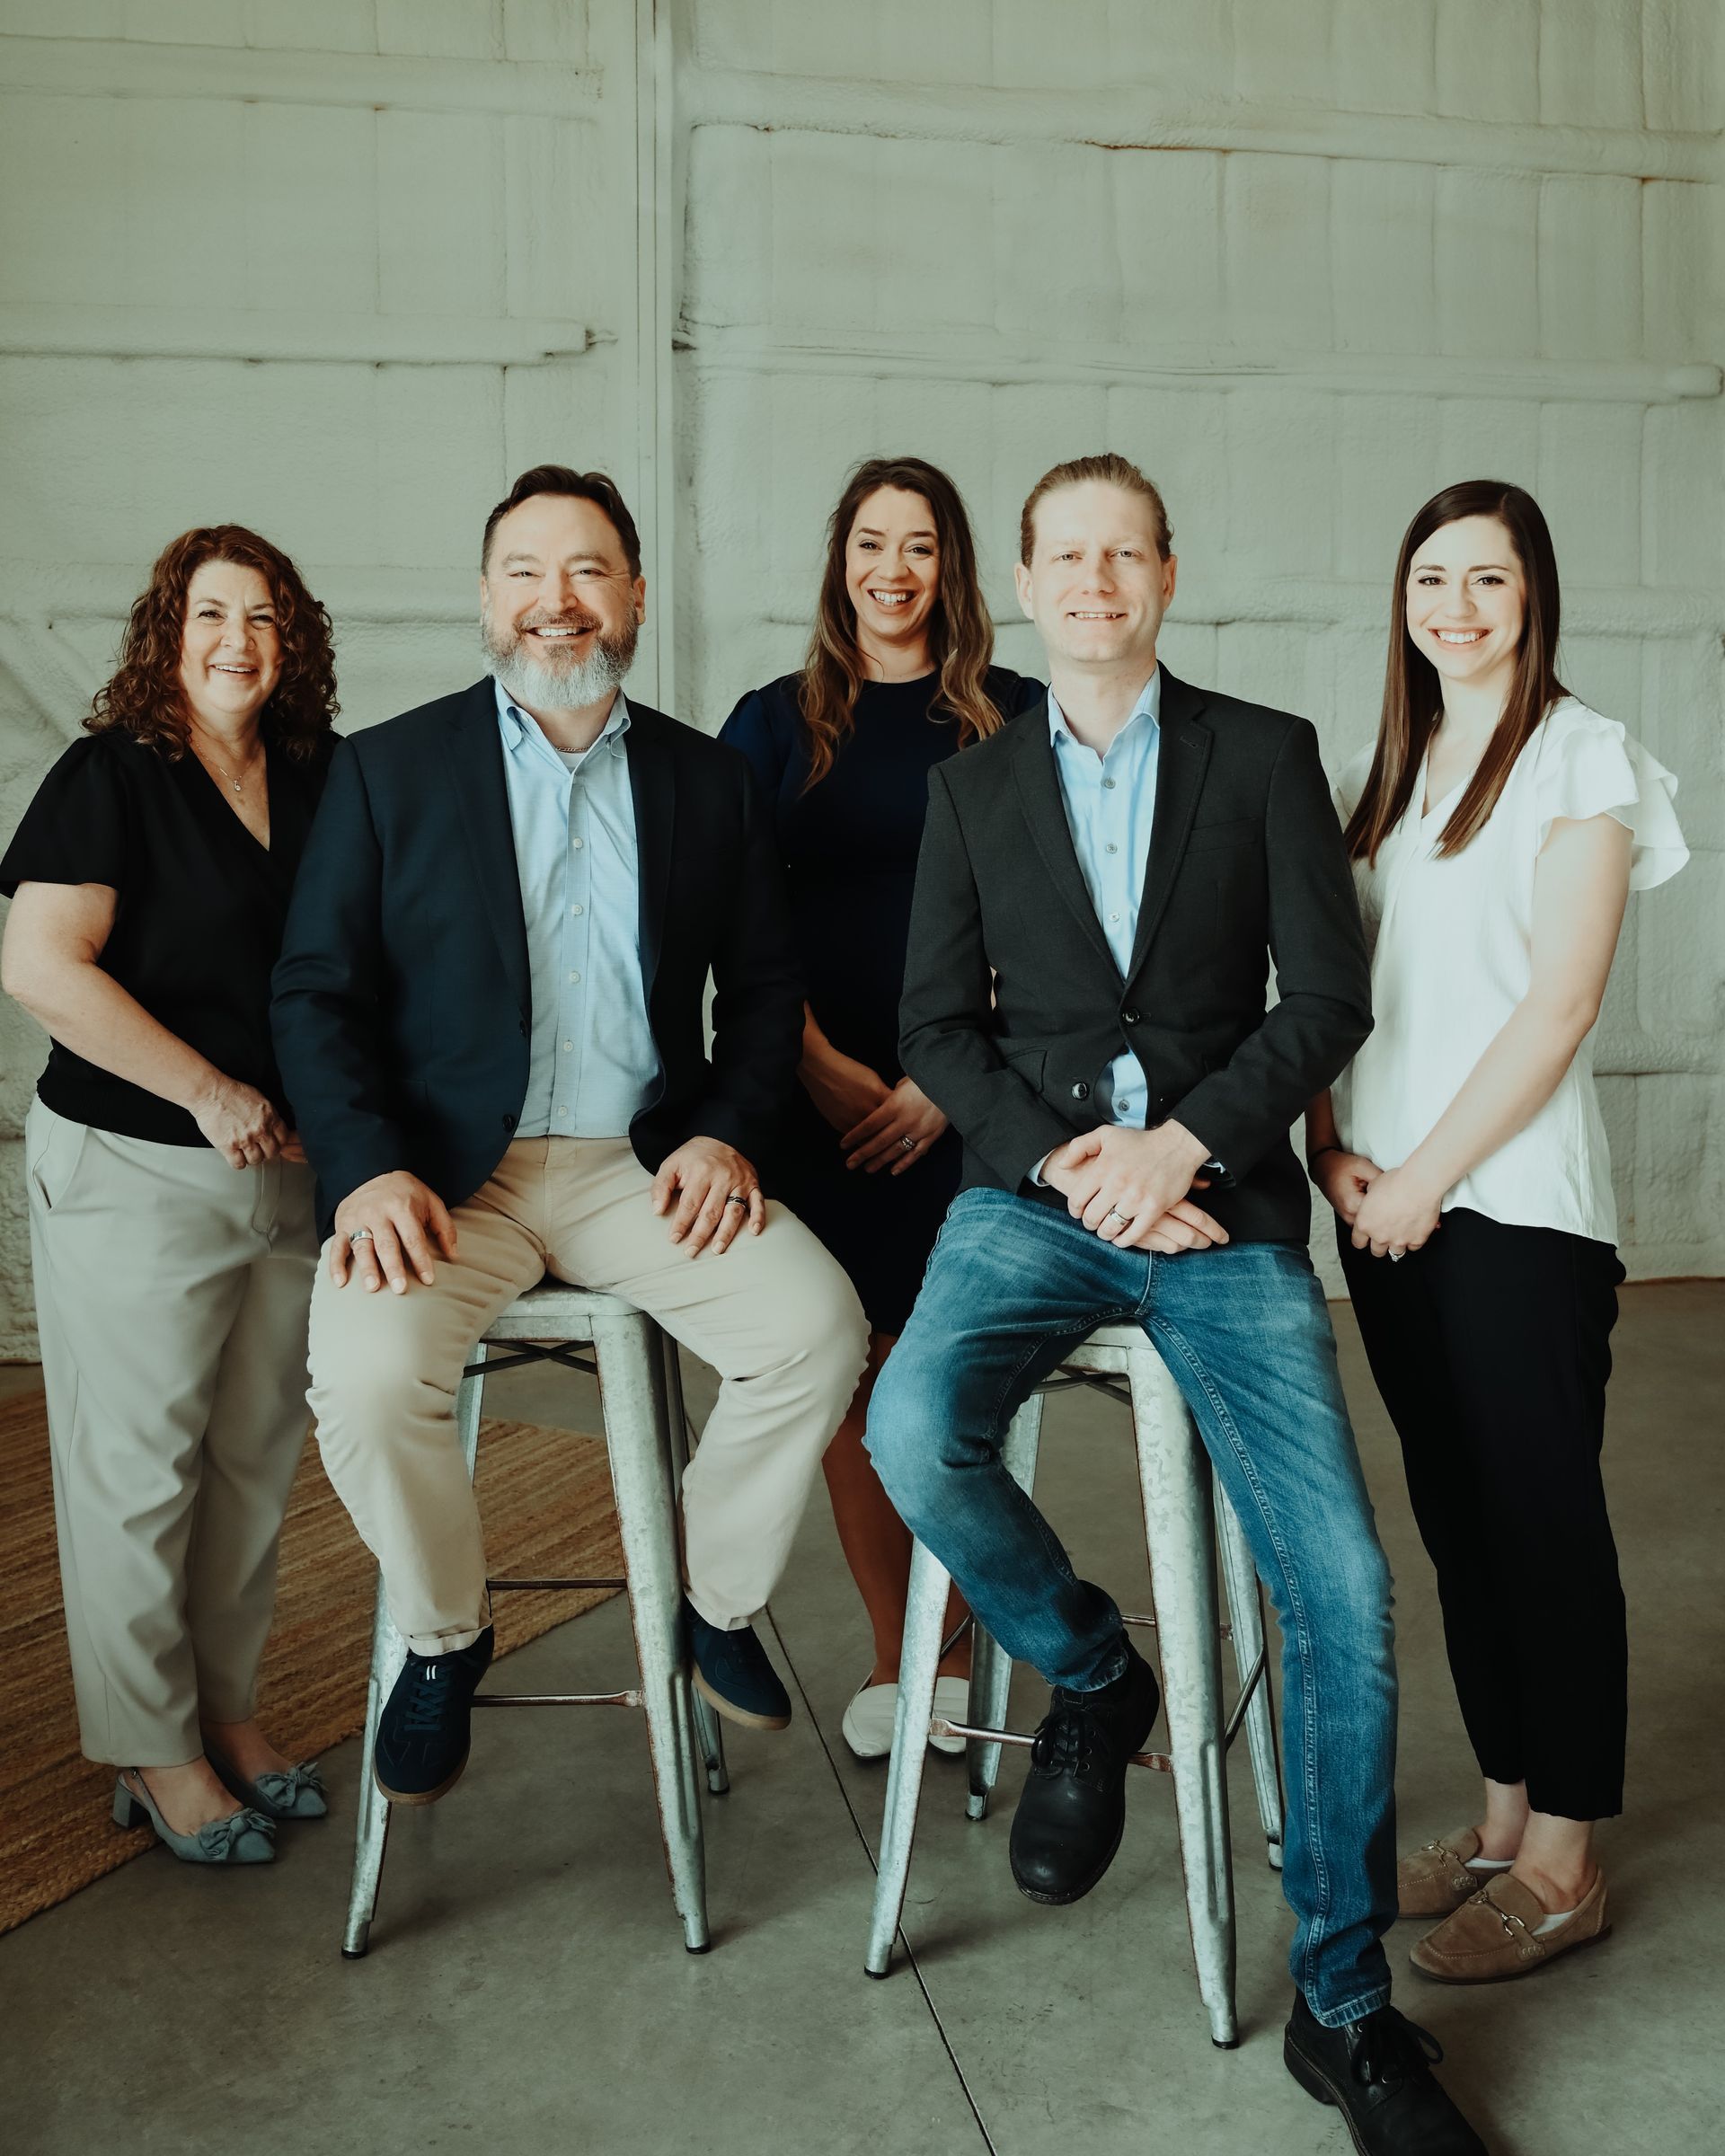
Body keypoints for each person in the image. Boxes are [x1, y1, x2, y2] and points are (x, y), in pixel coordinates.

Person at [866, 455, 1486, 2153]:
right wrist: (1079, 1165)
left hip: (1228, 1207)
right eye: (1062, 556)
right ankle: (1091, 1672)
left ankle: (1348, 2010)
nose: (1091, 580)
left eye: (1119, 553)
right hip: (1039, 1201)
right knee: (912, 1428)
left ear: (1165, 572)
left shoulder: (1265, 753)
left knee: (1343, 1586)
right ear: (1031, 579)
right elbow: (936, 1032)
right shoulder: (973, 789)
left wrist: (1190, 1146)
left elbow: (1328, 996)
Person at [271, 464, 869, 1805]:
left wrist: (723, 1134)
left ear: (636, 595)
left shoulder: (708, 781)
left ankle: (714, 1603)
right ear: (486, 599)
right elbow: (314, 993)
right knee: (366, 1384)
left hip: (634, 1169)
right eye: (528, 573)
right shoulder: (387, 771)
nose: (559, 602)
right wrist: (365, 1171)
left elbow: (766, 993)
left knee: (817, 1331)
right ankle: (445, 1636)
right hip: (441, 1181)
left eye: (589, 571)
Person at [1306, 481, 1687, 1987]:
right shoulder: (1385, 774)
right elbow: (1346, 995)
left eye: (1489, 580)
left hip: (1514, 1212)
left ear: (1536, 598)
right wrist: (1332, 1148)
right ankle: (1501, 1817)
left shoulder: (1582, 758)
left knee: (1543, 1526)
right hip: (1382, 1208)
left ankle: (1570, 1858)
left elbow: (1559, 1007)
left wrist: (1423, 1180)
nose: (1457, 606)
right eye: (1432, 580)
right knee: (1461, 1528)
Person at [0, 526, 339, 1865]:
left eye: (261, 616)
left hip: (284, 1178)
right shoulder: (111, 778)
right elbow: (40, 965)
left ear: (292, 637)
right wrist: (207, 1090)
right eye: (209, 614)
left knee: (250, 1470)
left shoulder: (318, 777)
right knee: (138, 1474)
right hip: (135, 1164)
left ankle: (229, 1716)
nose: (235, 641)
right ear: (167, 631)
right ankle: (152, 1750)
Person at [720, 455, 1042, 1760]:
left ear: (950, 568)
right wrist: (810, 1060)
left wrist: (941, 1078)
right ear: (839, 560)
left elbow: (1054, 919)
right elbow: (733, 920)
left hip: (967, 1099)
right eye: (871, 544)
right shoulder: (773, 720)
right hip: (818, 1101)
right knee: (853, 1376)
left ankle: (955, 1651)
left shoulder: (1011, 717)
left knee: (940, 1375)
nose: (893, 570)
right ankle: (893, 1648)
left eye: (919, 546)